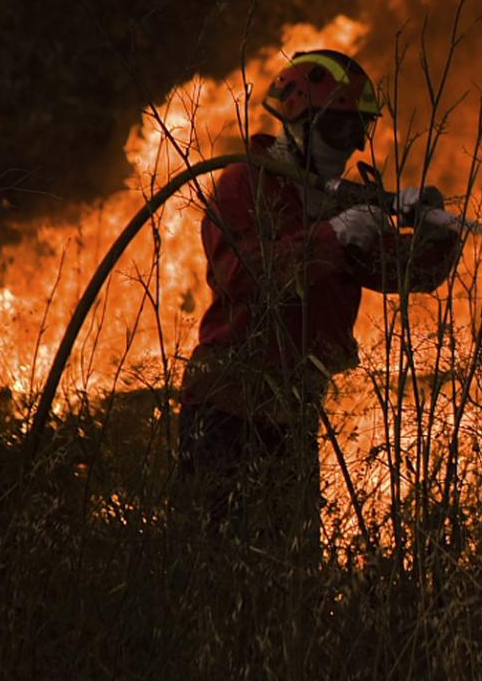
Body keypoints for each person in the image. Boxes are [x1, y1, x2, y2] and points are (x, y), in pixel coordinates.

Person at [177, 49, 460, 533]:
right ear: (299, 122)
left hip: (293, 412)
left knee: (293, 561)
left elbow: (403, 273)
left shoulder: (336, 203)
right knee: (217, 555)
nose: (350, 146)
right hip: (226, 407)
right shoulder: (245, 183)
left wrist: (436, 234)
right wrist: (335, 235)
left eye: (358, 131)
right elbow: (242, 276)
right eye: (337, 128)